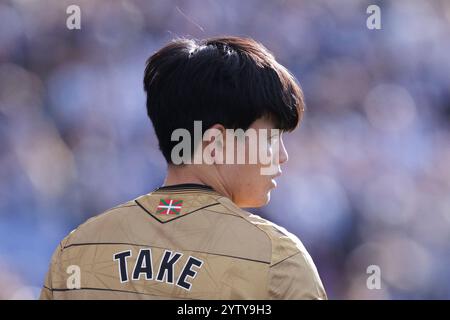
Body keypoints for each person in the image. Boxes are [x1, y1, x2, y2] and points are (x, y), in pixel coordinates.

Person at [40, 36, 327, 299]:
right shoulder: (276, 258)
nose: (282, 156)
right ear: (216, 144)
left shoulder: (77, 249)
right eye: (270, 139)